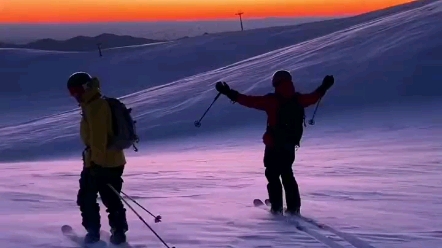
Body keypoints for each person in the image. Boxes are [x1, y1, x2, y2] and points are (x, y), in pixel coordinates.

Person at [215, 70, 334, 215]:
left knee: (272, 175)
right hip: (290, 145)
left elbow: (249, 101)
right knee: (287, 174)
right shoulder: (298, 99)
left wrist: (228, 92)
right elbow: (314, 97)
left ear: (275, 83)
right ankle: (293, 207)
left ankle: (276, 207)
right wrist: (325, 86)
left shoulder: (272, 100)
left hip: (273, 145)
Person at [67, 72, 129, 244]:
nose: (74, 96)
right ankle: (118, 232)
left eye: (76, 90)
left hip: (99, 162)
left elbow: (98, 139)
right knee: (111, 198)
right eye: (71, 92)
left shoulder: (96, 107)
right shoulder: (93, 104)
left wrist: (96, 164)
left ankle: (94, 233)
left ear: (86, 87)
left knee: (87, 198)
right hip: (112, 160)